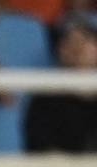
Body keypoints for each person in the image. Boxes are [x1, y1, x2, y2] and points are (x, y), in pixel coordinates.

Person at [24, 13, 97, 153]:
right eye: (68, 40)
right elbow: (40, 150)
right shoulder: (44, 99)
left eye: (85, 39)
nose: (76, 47)